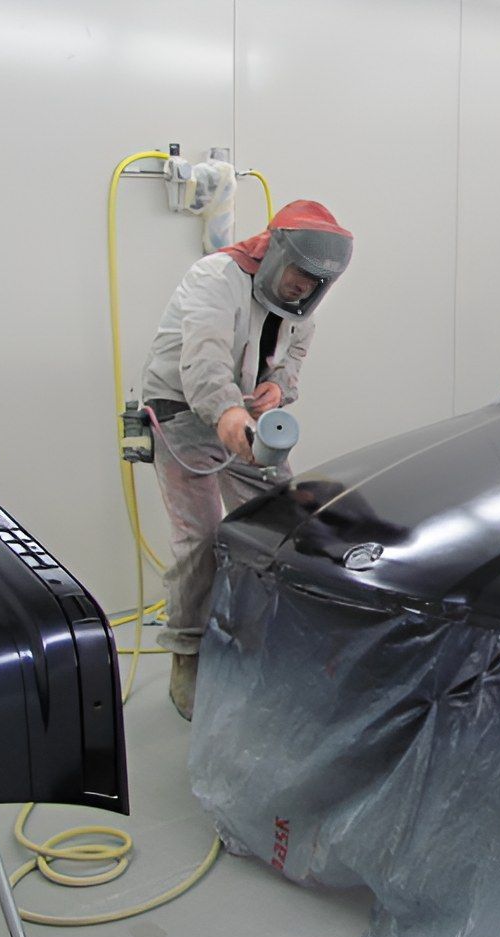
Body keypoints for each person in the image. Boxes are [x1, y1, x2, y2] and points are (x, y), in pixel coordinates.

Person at [140, 200, 353, 720]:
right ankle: (187, 656)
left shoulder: (301, 304)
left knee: (285, 522)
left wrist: (277, 388)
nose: (305, 287)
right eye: (300, 274)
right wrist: (229, 413)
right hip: (183, 413)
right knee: (202, 539)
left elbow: (293, 357)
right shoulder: (216, 278)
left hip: (246, 418)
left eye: (316, 281)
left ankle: (267, 639)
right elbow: (205, 359)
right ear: (275, 253)